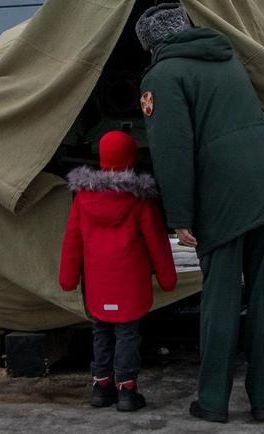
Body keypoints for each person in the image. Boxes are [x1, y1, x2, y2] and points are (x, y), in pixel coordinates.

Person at [134, 3, 264, 424]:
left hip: (223, 197)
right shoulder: (226, 59)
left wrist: (181, 216)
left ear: (151, 45)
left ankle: (212, 402)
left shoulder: (162, 76)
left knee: (221, 302)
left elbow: (172, 153)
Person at [59, 129, 178, 412]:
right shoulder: (139, 199)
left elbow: (72, 240)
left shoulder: (82, 197)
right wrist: (167, 277)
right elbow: (156, 241)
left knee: (101, 331)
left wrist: (67, 278)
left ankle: (101, 387)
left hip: (98, 282)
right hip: (130, 282)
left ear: (101, 158)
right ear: (130, 159)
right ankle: (127, 390)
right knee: (127, 334)